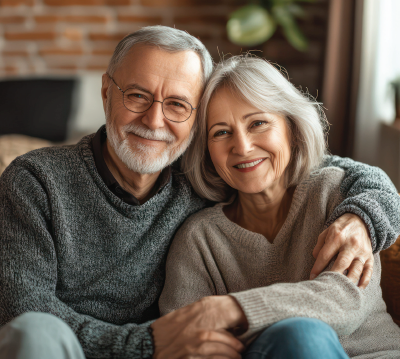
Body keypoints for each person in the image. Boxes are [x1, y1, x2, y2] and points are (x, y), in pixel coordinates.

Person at [0, 26, 399, 359]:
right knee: (35, 332)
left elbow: (332, 170)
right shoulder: (36, 182)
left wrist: (363, 214)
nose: (154, 120)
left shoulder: (202, 180)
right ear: (107, 92)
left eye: (177, 104)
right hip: (84, 349)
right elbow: (21, 309)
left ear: (192, 122)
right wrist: (149, 343)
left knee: (300, 337)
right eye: (137, 95)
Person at [158, 55, 400, 359]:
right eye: (221, 132)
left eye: (258, 123)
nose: (242, 147)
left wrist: (232, 310)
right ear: (206, 151)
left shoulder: (339, 198)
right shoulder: (199, 239)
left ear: (291, 128)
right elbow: (185, 338)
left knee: (301, 335)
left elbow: (344, 303)